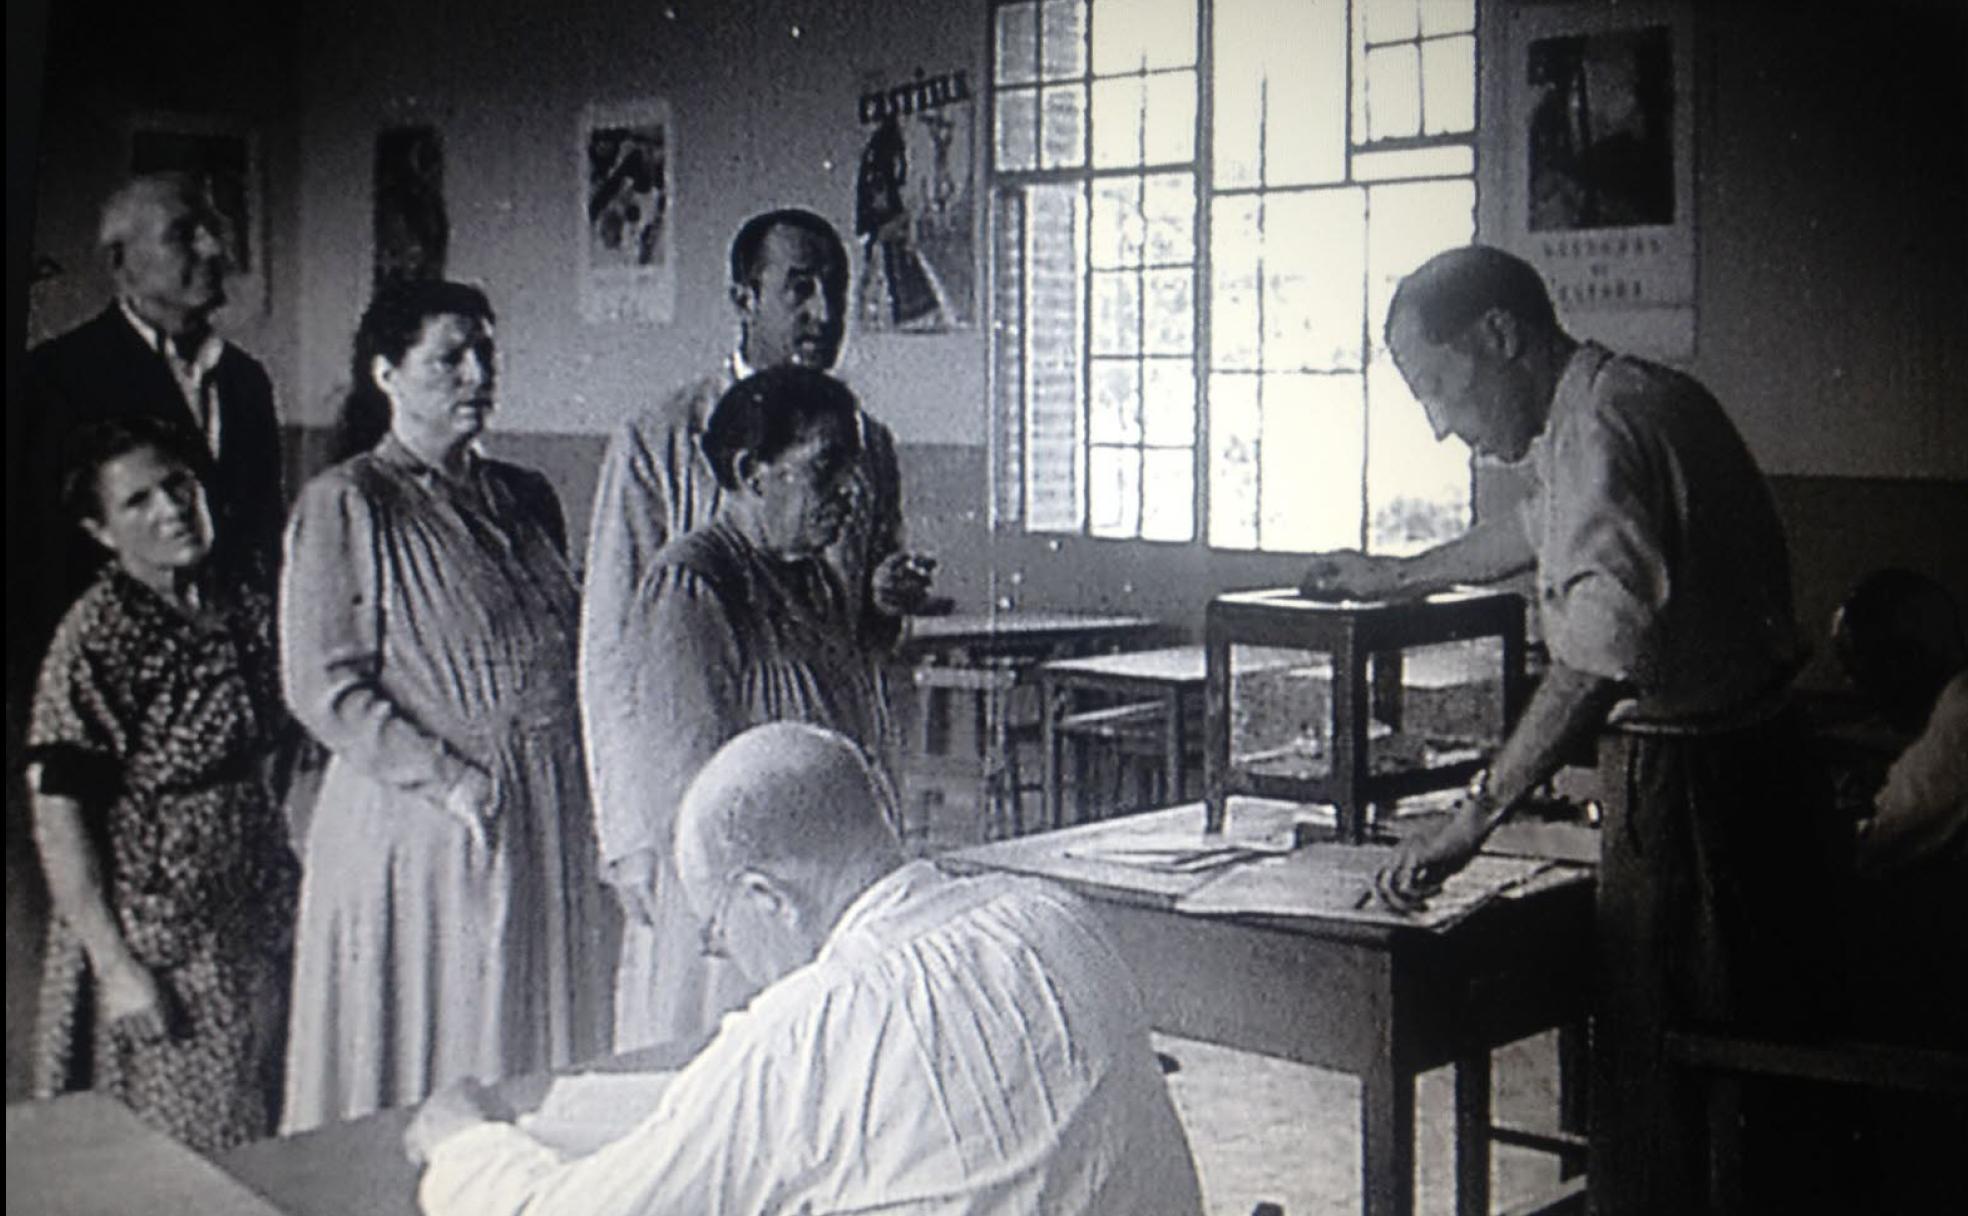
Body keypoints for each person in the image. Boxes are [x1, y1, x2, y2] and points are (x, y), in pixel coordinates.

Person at [1298, 245, 1828, 1214]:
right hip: (1745, 767)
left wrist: (1469, 820)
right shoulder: (1623, 401)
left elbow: (1591, 659)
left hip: (1695, 801)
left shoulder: (1598, 433)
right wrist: (1397, 574)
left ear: (1502, 336)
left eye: (1441, 389)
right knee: (1724, 1085)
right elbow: (1536, 529)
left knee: (1675, 1084)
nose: (1441, 425)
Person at [405, 721, 1204, 1216]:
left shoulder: (800, 1032)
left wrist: (462, 1144)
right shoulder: (1050, 915)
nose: (730, 961)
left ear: (766, 897)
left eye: (717, 932)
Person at [581, 209, 935, 1047]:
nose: (821, 313)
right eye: (799, 287)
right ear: (745, 297)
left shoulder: (862, 444)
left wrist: (879, 601)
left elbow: (847, 636)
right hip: (719, 841)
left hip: (816, 813)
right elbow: (614, 654)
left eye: (835, 290)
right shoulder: (658, 442)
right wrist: (631, 836)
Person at [278, 279, 612, 1132]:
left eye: (485, 353)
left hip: (539, 806)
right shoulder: (348, 502)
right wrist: (450, 779)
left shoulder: (523, 496)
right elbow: (323, 685)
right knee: (442, 1040)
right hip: (428, 822)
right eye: (449, 357)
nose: (476, 373)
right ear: (386, 373)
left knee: (535, 1047)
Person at [600, 366, 898, 1050]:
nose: (849, 495)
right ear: (752, 472)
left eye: (852, 470)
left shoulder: (815, 580)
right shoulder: (694, 582)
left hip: (815, 905)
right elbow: (686, 789)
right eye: (826, 469)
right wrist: (747, 921)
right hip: (740, 929)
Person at [24, 416, 299, 1155]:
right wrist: (116, 966)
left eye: (179, 485)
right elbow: (59, 818)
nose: (172, 510)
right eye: (138, 502)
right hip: (161, 938)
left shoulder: (244, 600)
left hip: (259, 912)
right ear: (102, 530)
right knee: (190, 1148)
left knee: (275, 1131)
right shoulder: (96, 636)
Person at [15, 174, 286, 714]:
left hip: (227, 684)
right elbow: (33, 558)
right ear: (121, 262)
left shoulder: (245, 381)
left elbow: (261, 534)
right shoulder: (55, 378)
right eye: (184, 234)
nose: (213, 248)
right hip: (109, 689)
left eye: (213, 230)